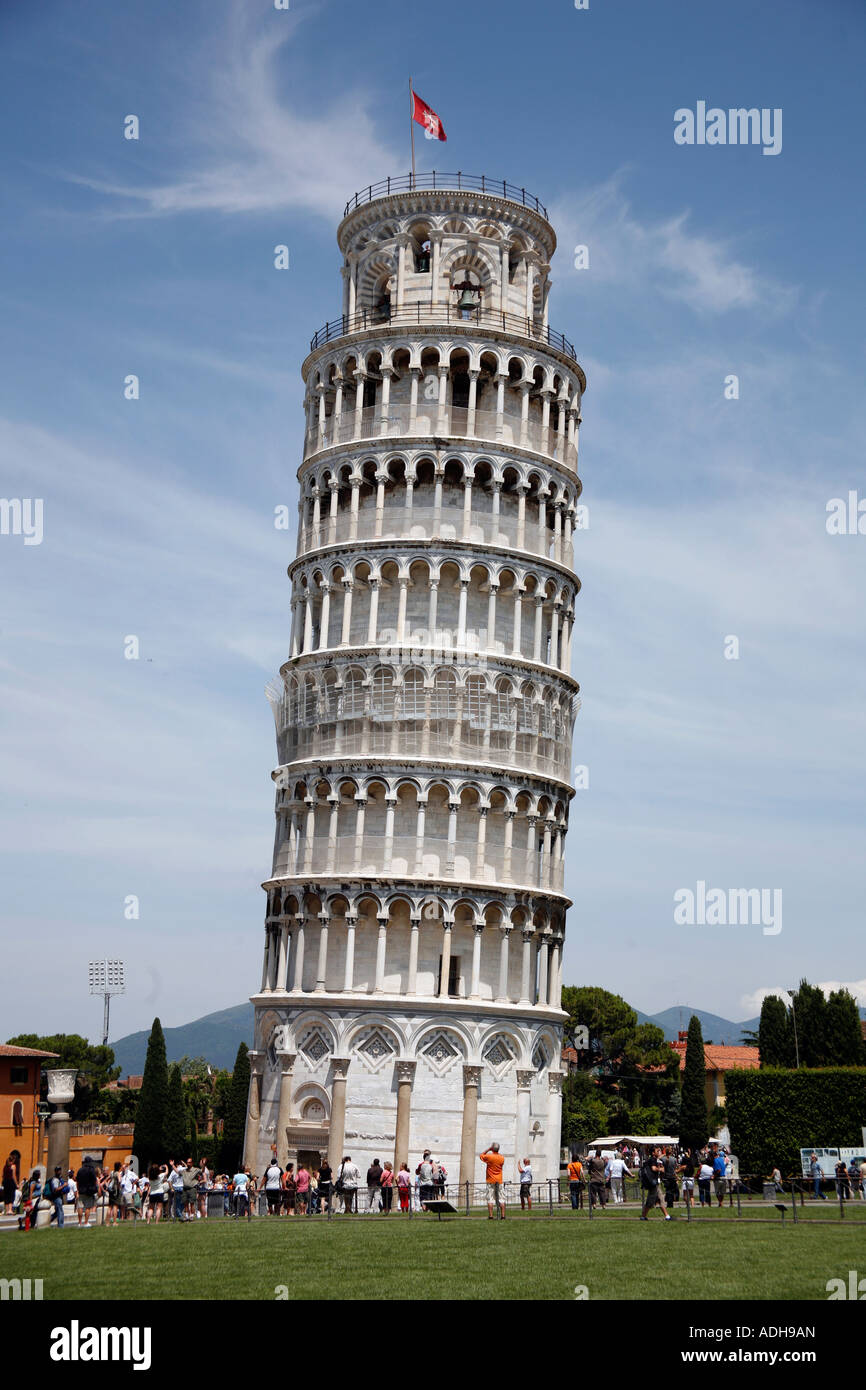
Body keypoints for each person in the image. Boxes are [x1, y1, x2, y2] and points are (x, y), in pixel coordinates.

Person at [640, 1146, 672, 1222]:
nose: (659, 1152)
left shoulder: (650, 1160)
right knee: (650, 1201)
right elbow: (653, 1168)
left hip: (654, 1183)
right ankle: (643, 1216)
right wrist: (660, 1169)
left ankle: (667, 1216)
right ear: (653, 1153)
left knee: (661, 1199)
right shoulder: (653, 1160)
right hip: (653, 1183)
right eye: (657, 1151)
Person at [480, 1143, 505, 1220]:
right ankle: (503, 1216)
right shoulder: (502, 1158)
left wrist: (488, 1149)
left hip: (490, 1180)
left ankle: (491, 1216)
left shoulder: (489, 1156)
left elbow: (481, 1155)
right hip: (499, 1180)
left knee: (490, 1198)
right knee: (501, 1198)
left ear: (492, 1149)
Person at [75, 1156, 98, 1227]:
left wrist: (78, 1190)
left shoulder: (80, 1170)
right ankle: (86, 1222)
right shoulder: (91, 1170)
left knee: (80, 1207)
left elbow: (77, 1181)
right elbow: (94, 1180)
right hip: (89, 1191)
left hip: (81, 1191)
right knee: (88, 1207)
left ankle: (79, 1223)